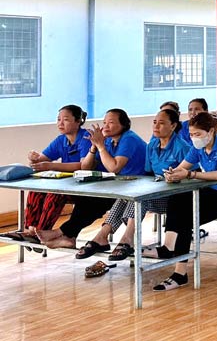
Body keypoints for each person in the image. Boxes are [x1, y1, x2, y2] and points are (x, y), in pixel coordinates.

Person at [150, 112, 217, 291]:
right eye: (191, 135)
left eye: (198, 135)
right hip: (211, 190)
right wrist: (172, 174)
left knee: (186, 218)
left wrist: (190, 174)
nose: (194, 138)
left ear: (211, 131)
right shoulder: (197, 148)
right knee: (178, 198)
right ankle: (168, 246)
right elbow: (182, 167)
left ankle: (180, 273)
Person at [76, 108, 191, 261]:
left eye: (161, 123)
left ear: (173, 125)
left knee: (140, 198)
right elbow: (149, 174)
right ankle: (102, 236)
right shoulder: (152, 145)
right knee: (128, 197)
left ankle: (127, 240)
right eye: (154, 122)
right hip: (157, 192)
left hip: (175, 200)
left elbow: (191, 178)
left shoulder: (182, 147)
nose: (156, 126)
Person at [36, 109, 147, 250]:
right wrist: (94, 147)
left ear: (124, 125)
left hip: (138, 187)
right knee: (87, 198)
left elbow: (114, 168)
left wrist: (100, 146)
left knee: (97, 201)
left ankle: (63, 232)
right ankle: (69, 236)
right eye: (104, 122)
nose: (105, 126)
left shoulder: (128, 138)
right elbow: (86, 167)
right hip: (120, 185)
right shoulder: (108, 141)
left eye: (111, 123)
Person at [1, 106, 92, 245]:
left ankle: (42, 231)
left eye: (66, 120)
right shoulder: (61, 140)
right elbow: (42, 159)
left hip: (87, 186)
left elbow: (82, 166)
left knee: (55, 193)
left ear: (78, 121)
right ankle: (30, 231)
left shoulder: (86, 138)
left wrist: (51, 165)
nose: (60, 123)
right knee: (36, 190)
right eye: (58, 119)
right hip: (70, 183)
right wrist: (34, 158)